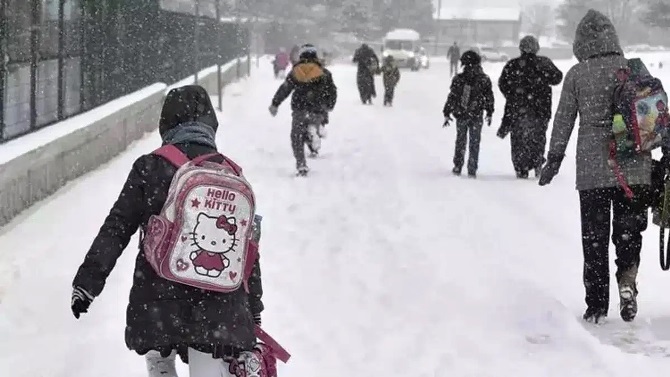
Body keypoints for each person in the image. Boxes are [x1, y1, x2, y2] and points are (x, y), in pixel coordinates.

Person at [70, 85, 265, 376]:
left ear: (166, 123)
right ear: (211, 124)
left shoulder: (150, 167)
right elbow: (246, 249)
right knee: (210, 363)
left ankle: (160, 363)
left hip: (158, 298)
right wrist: (254, 306)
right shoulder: (231, 173)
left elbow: (118, 226)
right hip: (219, 306)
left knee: (159, 351)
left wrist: (87, 283)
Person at [539, 9, 658, 323]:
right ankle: (627, 281)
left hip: (593, 169)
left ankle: (596, 306)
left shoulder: (578, 74)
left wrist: (553, 158)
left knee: (594, 238)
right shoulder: (632, 68)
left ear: (581, 41)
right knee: (628, 233)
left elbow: (563, 120)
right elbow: (652, 117)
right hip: (633, 168)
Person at [498, 35, 563, 179]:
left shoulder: (513, 65)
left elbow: (502, 83)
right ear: (536, 48)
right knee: (538, 138)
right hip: (541, 110)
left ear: (521, 48)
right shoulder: (543, 63)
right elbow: (557, 78)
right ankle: (537, 161)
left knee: (518, 140)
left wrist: (513, 95)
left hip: (517, 110)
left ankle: (521, 167)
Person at [269, 44, 338, 176]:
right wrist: (329, 105)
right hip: (318, 109)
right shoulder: (324, 73)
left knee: (296, 136)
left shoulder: (296, 71)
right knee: (313, 125)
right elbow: (332, 91)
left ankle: (301, 164)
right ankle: (315, 133)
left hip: (300, 109)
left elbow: (285, 89)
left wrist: (275, 104)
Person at [443, 50, 494, 178]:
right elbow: (489, 97)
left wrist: (447, 111)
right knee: (474, 141)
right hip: (476, 114)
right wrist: (489, 111)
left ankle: (458, 165)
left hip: (461, 113)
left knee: (461, 140)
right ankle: (472, 167)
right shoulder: (484, 79)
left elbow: (452, 96)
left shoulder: (459, 79)